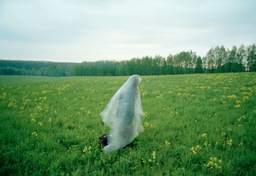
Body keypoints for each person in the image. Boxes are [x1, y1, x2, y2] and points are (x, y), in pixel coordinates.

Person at [100, 75, 144, 152]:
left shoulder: (126, 90)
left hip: (124, 115)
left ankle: (124, 141)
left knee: (124, 131)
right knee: (123, 132)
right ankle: (118, 142)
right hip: (126, 115)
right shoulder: (134, 90)